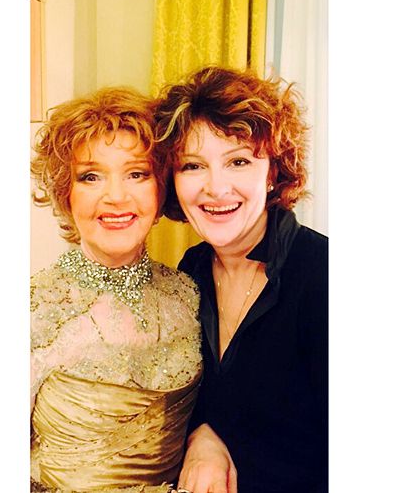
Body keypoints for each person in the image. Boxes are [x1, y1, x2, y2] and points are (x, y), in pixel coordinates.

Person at [153, 66, 328, 493]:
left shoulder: (324, 274)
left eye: (238, 161)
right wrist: (202, 434)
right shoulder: (191, 269)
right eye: (193, 165)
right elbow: (202, 397)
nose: (216, 188)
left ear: (273, 172)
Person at [30, 87, 203, 493]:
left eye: (136, 173)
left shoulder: (189, 294)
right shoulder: (34, 307)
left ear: (160, 188)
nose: (116, 197)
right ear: (65, 193)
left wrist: (207, 441)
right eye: (90, 176)